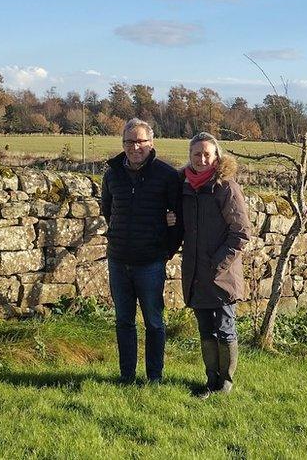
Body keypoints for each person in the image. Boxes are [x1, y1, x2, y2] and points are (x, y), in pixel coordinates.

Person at [101, 118, 182, 384]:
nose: (135, 147)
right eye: (129, 142)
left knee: (154, 322)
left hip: (150, 262)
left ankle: (154, 377)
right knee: (124, 321)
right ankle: (127, 376)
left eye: (140, 141)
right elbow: (108, 210)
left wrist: (165, 252)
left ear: (151, 143)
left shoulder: (167, 175)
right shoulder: (112, 173)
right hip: (118, 259)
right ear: (123, 144)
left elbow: (177, 219)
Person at [170, 132, 252, 396]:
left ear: (217, 156)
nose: (202, 159)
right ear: (190, 157)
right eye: (197, 154)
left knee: (225, 329)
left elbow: (240, 233)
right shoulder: (185, 187)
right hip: (195, 273)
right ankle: (211, 381)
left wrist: (218, 265)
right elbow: (186, 228)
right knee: (205, 329)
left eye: (207, 154)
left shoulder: (226, 187)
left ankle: (225, 383)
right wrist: (172, 221)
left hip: (221, 274)